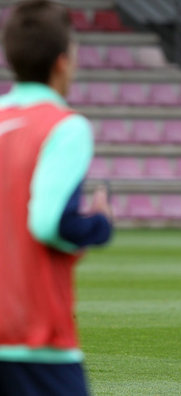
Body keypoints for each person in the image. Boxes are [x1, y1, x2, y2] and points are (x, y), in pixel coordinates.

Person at [0, 1, 113, 394]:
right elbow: (49, 223)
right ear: (63, 62)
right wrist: (99, 224)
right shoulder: (65, 126)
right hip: (34, 339)